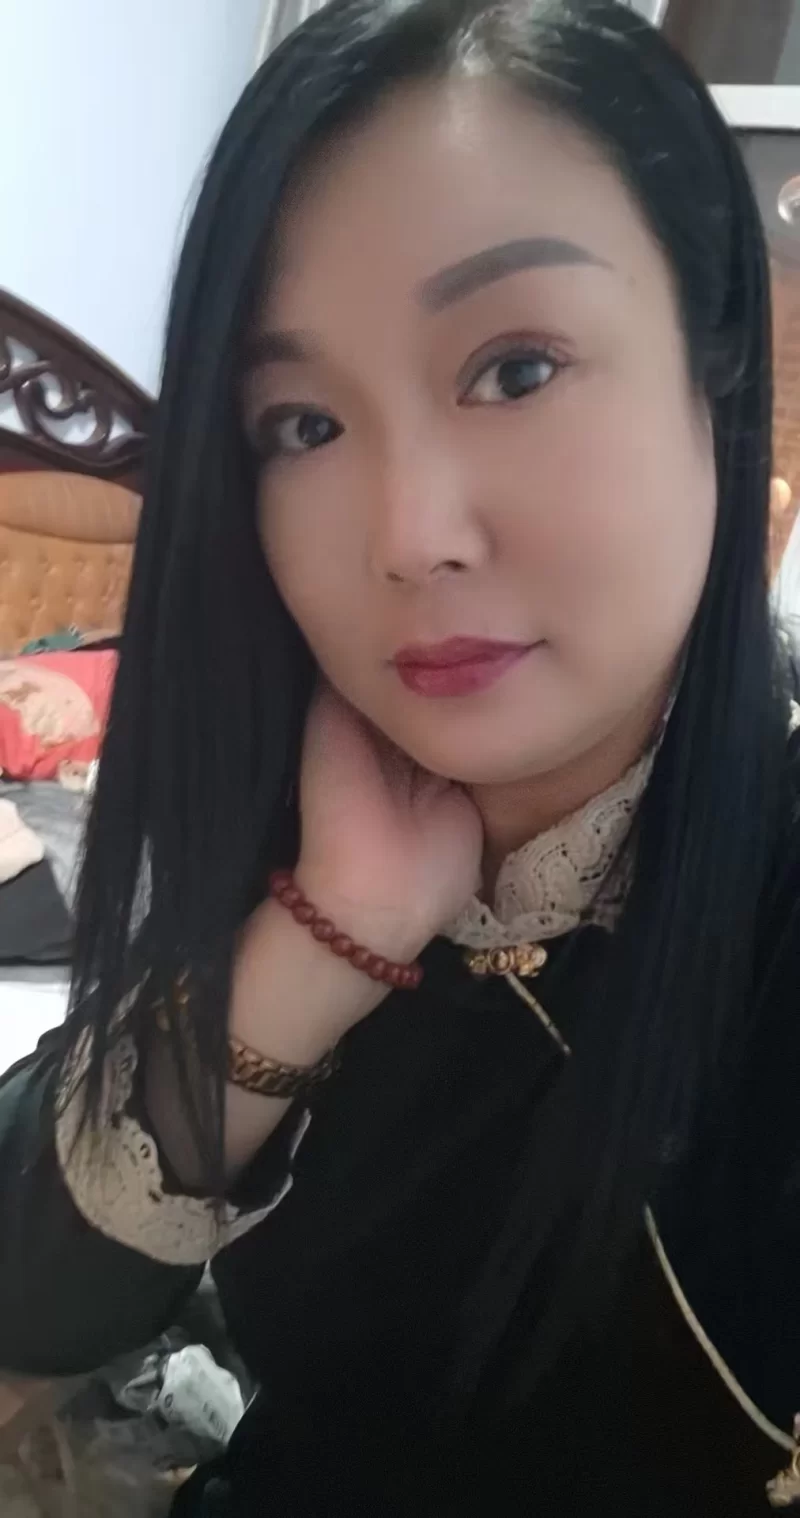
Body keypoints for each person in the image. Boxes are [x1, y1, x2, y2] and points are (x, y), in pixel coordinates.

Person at [1, 0, 798, 1510]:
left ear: (716, 369)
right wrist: (332, 934)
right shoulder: (297, 789)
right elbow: (23, 1298)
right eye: (302, 425)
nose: (409, 536)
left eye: (517, 370)